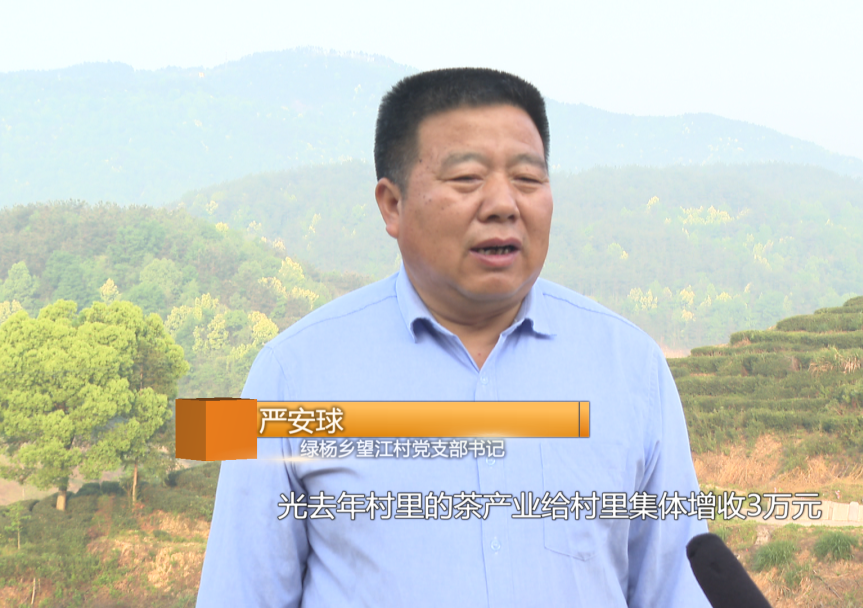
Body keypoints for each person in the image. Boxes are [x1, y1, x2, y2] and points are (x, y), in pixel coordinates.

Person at [196, 67, 710, 607]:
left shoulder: (631, 368)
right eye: (466, 179)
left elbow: (676, 589)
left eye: (528, 179)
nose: (503, 205)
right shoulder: (288, 374)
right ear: (392, 205)